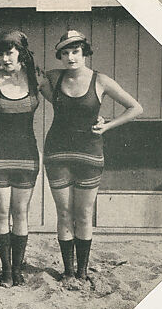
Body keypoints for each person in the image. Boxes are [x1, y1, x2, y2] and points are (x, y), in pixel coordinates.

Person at [41, 30, 143, 282]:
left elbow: (136, 107)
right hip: (57, 153)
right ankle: (67, 271)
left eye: (75, 51)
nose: (70, 57)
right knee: (64, 212)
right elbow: (26, 84)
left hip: (89, 153)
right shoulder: (53, 78)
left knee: (84, 213)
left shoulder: (101, 80)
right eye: (64, 53)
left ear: (84, 52)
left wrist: (107, 125)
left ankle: (82, 271)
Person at [0, 30, 41, 287]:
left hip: (27, 156)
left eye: (10, 52)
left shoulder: (36, 79)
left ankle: (18, 269)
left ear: (22, 53)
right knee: (2, 213)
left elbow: (66, 100)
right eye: (1, 53)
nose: (5, 58)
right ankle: (5, 269)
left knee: (21, 213)